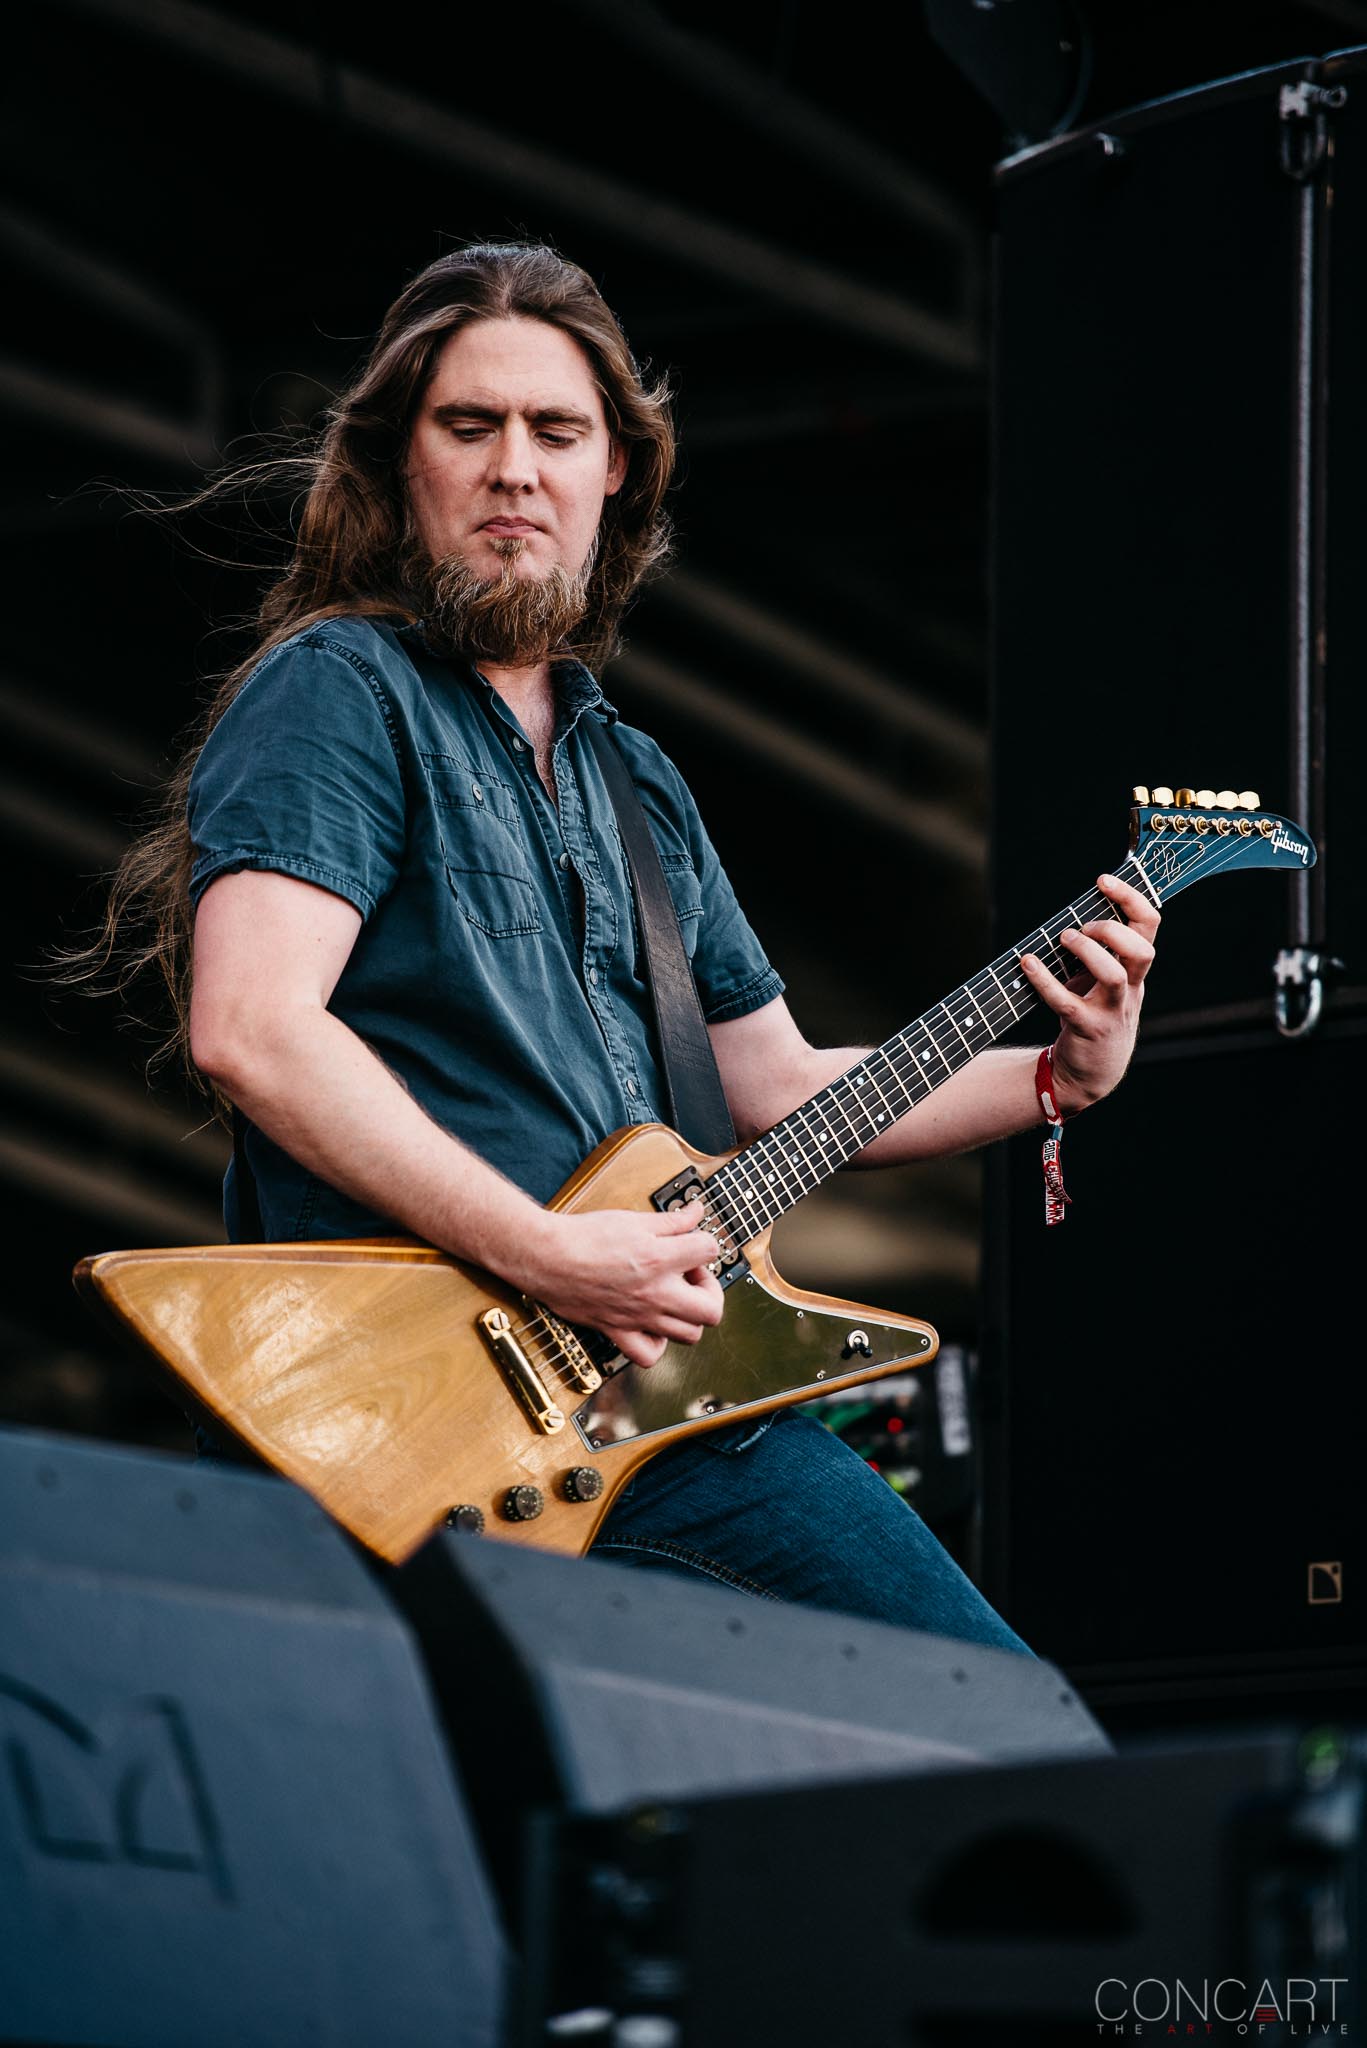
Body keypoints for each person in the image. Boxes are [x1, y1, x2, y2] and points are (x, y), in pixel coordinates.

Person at [119, 242, 1160, 1648]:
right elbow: (253, 1028)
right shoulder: (339, 692)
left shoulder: (637, 782)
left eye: (556, 432)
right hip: (419, 1413)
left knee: (980, 1722)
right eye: (469, 426)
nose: (514, 470)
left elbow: (778, 1086)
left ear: (615, 471)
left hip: (666, 1407)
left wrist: (1053, 1080)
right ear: (402, 459)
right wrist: (547, 1252)